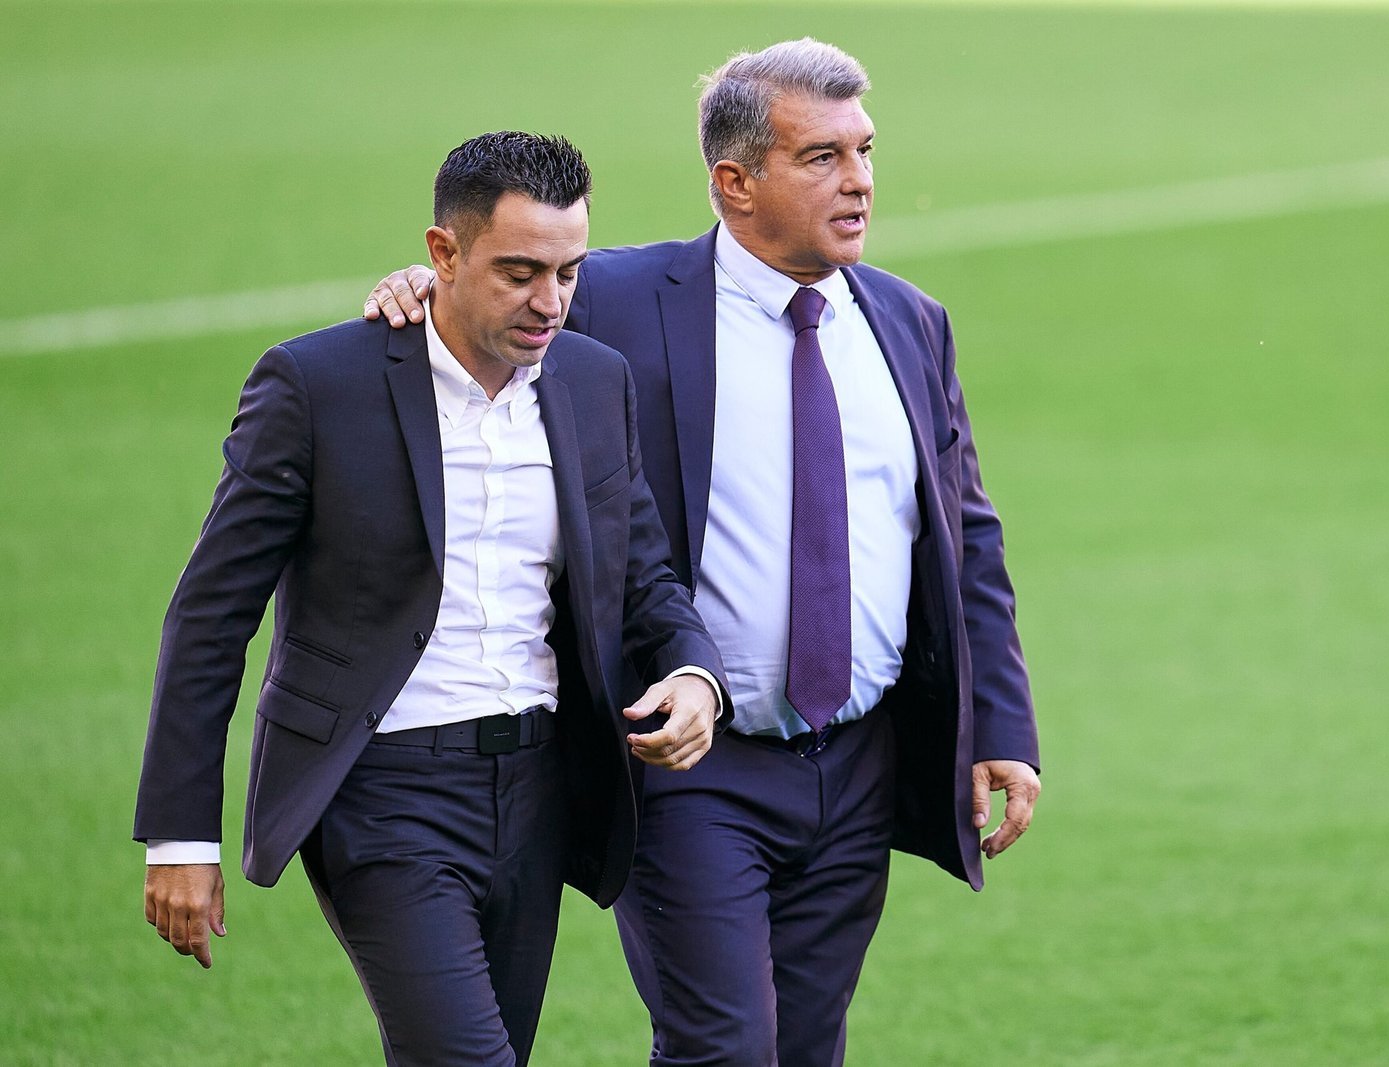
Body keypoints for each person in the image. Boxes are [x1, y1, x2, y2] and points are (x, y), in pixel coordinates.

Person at [364, 39, 1041, 1067]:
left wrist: (1000, 721)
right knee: (723, 1046)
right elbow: (495, 313)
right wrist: (425, 288)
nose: (857, 180)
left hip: (856, 761)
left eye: (863, 150)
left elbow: (965, 530)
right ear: (735, 182)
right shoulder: (622, 302)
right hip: (690, 763)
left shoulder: (908, 320)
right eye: (820, 157)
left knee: (806, 1048)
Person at [135, 131, 731, 1067]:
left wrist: (695, 673)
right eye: (521, 272)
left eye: (569, 272)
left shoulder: (591, 379)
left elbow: (643, 576)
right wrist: (178, 835)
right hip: (384, 794)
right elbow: (211, 615)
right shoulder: (317, 385)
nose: (551, 303)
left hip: (539, 788)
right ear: (441, 254)